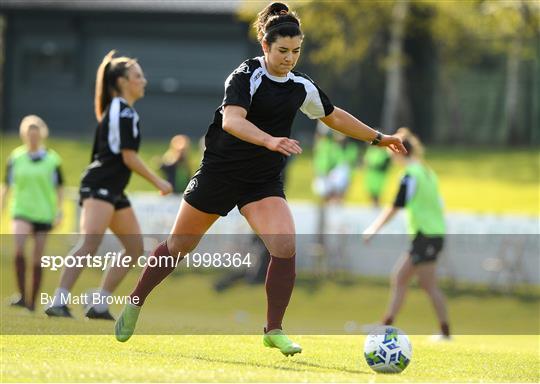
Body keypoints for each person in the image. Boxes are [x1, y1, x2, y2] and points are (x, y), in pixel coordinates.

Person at [114, 2, 406, 355]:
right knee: (178, 247)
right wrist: (270, 140)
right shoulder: (244, 76)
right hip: (219, 174)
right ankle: (135, 301)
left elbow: (333, 117)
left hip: (261, 182)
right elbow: (232, 121)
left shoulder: (301, 85)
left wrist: (378, 137)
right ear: (265, 46)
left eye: (296, 51)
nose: (289, 58)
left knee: (284, 246)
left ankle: (274, 329)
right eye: (282, 51)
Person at [45, 50, 172, 319]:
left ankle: (99, 303)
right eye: (138, 76)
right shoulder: (122, 112)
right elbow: (128, 156)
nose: (143, 81)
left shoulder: (121, 111)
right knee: (90, 242)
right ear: (123, 81)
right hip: (100, 185)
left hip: (113, 189)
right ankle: (58, 301)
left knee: (134, 247)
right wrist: (159, 181)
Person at [362, 127, 451, 340]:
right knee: (424, 284)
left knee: (402, 277)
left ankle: (386, 326)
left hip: (425, 235)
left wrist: (374, 228)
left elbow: (396, 205)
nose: (391, 158)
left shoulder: (410, 174)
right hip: (433, 234)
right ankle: (444, 331)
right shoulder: (426, 171)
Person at [1, 115, 64, 311]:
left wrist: (59, 211)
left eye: (36, 135)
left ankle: (31, 302)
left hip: (44, 212)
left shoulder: (52, 159)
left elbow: (59, 188)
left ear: (42, 135)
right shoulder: (16, 157)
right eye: (30, 135)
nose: (33, 139)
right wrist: (2, 204)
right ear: (24, 135)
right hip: (21, 209)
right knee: (19, 249)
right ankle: (21, 295)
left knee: (38, 257)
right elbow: (7, 184)